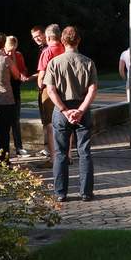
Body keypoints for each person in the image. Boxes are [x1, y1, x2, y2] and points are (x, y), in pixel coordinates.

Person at [44, 26, 98, 202]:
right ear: (79, 40)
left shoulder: (54, 63)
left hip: (62, 110)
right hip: (82, 109)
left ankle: (60, 193)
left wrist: (65, 111)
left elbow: (51, 90)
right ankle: (86, 192)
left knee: (60, 153)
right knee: (84, 152)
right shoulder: (88, 62)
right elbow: (92, 89)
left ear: (62, 41)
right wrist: (81, 109)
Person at [36, 23, 65, 157]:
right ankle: (68, 155)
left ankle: (54, 157)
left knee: (49, 124)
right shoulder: (65, 48)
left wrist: (40, 87)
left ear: (47, 37)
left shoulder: (46, 52)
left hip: (49, 89)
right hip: (65, 89)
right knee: (65, 123)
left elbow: (41, 75)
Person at [4, 35, 30, 157]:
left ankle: (19, 147)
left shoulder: (18, 55)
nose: (10, 52)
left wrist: (23, 75)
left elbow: (23, 69)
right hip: (4, 90)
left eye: (13, 49)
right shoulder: (1, 56)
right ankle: (3, 149)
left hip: (15, 88)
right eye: (9, 50)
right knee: (4, 121)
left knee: (16, 119)